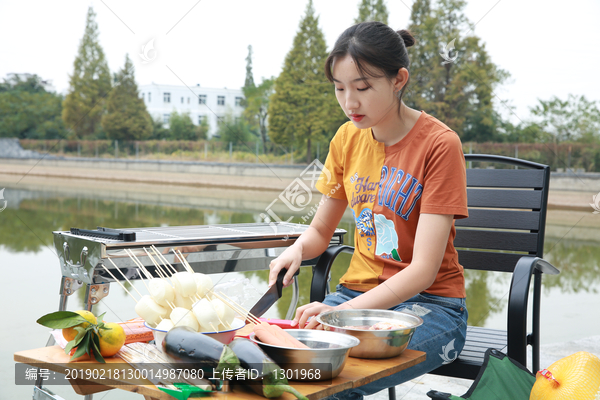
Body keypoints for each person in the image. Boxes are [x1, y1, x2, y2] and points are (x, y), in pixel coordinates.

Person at [268, 21, 469, 399]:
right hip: (354, 298)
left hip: (432, 307)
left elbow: (423, 272)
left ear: (399, 79)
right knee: (280, 370)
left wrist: (335, 317)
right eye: (339, 88)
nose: (349, 103)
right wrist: (296, 250)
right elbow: (319, 233)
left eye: (362, 88)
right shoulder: (346, 138)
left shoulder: (440, 145)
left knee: (328, 379)